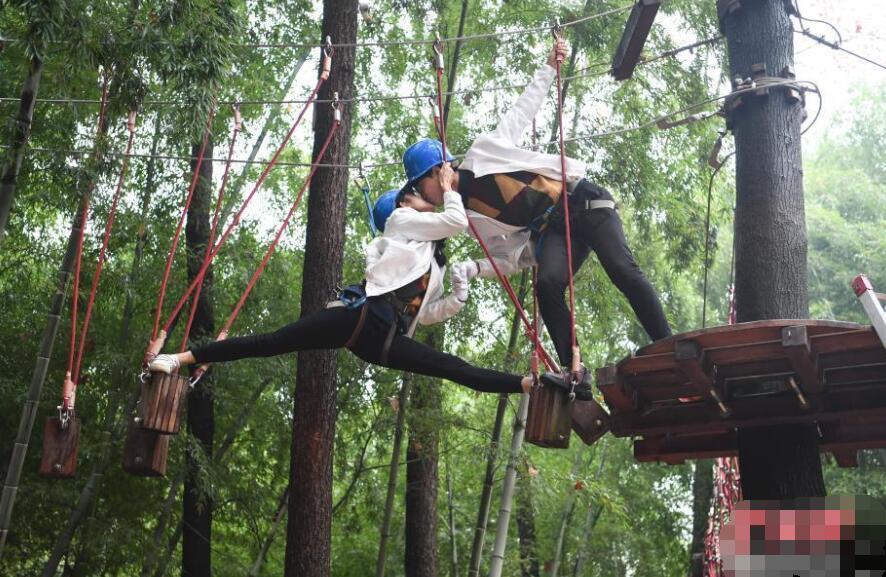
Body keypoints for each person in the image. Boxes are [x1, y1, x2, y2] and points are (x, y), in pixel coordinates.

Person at [147, 173, 590, 399]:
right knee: (274, 341)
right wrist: (451, 185)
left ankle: (534, 385)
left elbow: (426, 311)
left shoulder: (431, 257)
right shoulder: (400, 222)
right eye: (419, 193)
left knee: (454, 369)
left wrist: (457, 294)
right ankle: (180, 357)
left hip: (387, 337)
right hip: (358, 313)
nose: (425, 195)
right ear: (405, 203)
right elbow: (453, 220)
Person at [401, 38, 672, 380]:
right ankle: (576, 372)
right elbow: (512, 258)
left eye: (419, 186)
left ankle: (667, 344)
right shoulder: (469, 220)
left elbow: (521, 111)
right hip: (555, 228)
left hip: (582, 200)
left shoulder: (482, 152)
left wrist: (549, 67)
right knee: (547, 285)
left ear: (435, 171)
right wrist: (476, 268)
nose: (424, 195)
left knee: (623, 271)